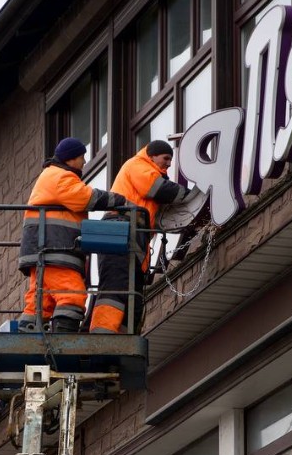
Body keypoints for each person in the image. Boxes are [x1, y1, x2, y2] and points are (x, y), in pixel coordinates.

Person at [18, 137, 128, 332]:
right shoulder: (60, 177)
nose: (84, 162)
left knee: (40, 300)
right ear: (70, 158)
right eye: (81, 157)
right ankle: (63, 340)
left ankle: (29, 335)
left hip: (43, 250)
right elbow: (84, 198)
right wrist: (118, 199)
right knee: (72, 294)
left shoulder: (50, 176)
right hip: (55, 249)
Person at [90, 140, 188, 334]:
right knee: (116, 285)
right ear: (152, 156)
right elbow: (157, 188)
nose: (169, 163)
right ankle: (104, 332)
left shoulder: (147, 171)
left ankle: (121, 336)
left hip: (130, 233)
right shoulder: (138, 165)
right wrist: (188, 194)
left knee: (130, 292)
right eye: (166, 158)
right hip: (120, 229)